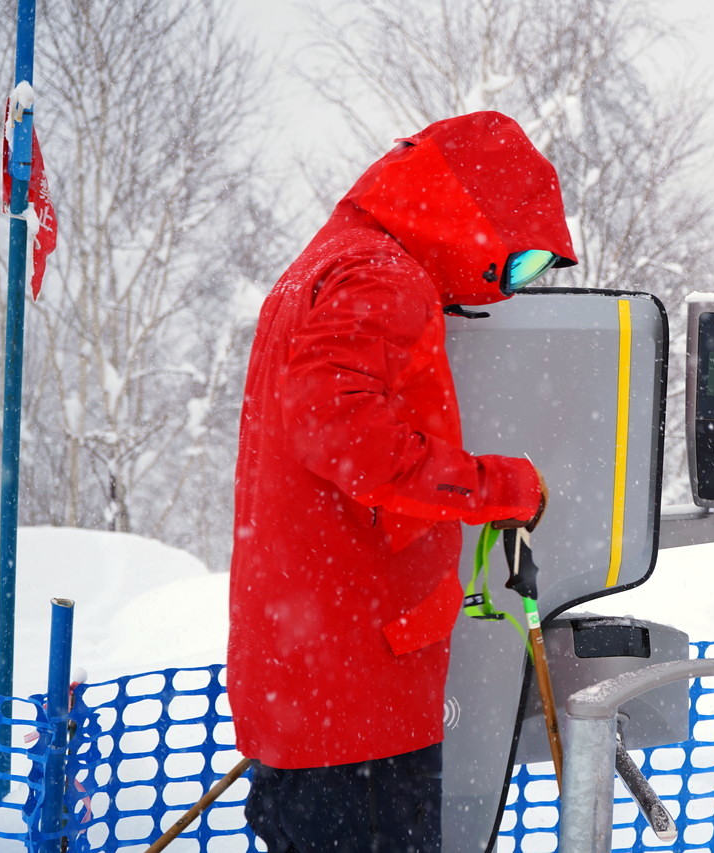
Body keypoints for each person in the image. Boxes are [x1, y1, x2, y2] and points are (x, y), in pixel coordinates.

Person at [227, 111, 576, 852]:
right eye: (519, 262)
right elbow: (347, 438)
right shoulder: (382, 276)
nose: (512, 288)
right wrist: (501, 487)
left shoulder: (326, 264)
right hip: (359, 716)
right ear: (476, 215)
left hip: (317, 692)